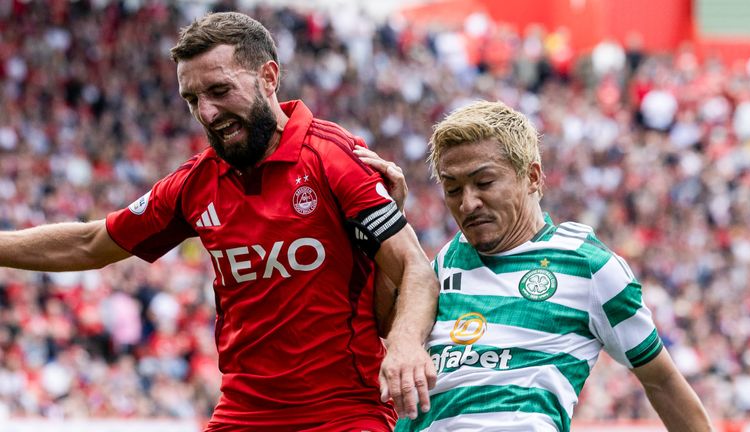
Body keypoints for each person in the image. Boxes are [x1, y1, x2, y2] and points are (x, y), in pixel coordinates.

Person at [0, 12, 439, 431]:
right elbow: (90, 244)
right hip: (243, 414)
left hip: (343, 412)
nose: (207, 113)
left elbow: (416, 268)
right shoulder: (195, 183)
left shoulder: (335, 158)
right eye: (192, 100)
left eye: (219, 90)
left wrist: (404, 344)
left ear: (268, 77)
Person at [354, 100, 714, 431]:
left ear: (533, 177)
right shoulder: (446, 261)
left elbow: (661, 380)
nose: (468, 203)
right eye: (453, 190)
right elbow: (388, 325)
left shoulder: (588, 265)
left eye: (484, 182)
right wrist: (388, 224)